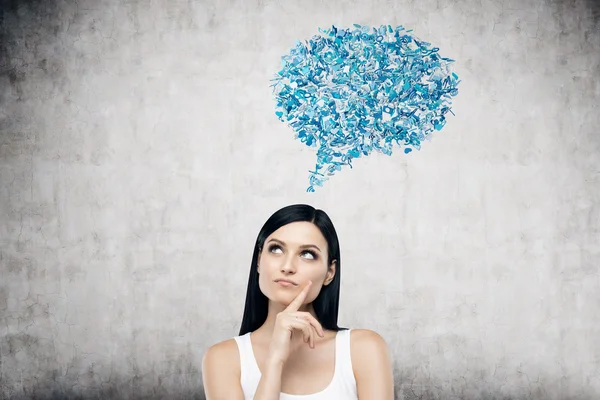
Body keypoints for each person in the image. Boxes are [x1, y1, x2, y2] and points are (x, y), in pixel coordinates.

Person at [202, 204, 394, 399]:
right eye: (276, 249)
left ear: (330, 273)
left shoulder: (363, 349)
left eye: (307, 254)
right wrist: (275, 359)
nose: (287, 266)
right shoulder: (223, 359)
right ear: (259, 260)